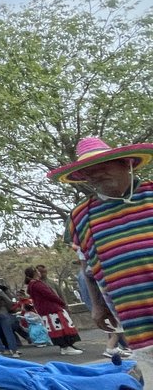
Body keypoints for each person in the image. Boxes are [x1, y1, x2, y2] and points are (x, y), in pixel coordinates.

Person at [48, 136, 153, 358]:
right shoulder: (81, 215)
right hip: (133, 315)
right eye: (88, 172)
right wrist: (97, 305)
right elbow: (87, 266)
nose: (95, 175)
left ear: (126, 163)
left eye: (102, 166)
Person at [24, 266, 83, 355]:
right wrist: (61, 302)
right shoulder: (37, 284)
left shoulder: (31, 285)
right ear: (35, 273)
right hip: (52, 309)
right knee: (61, 327)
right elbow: (49, 295)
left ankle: (65, 346)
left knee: (55, 328)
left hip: (45, 310)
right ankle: (66, 346)